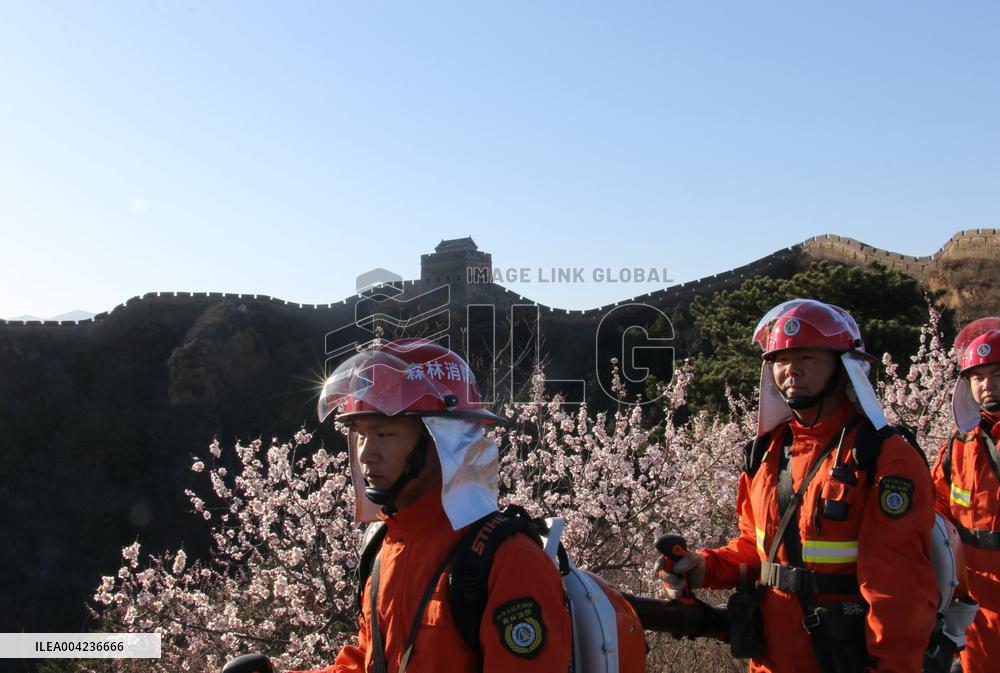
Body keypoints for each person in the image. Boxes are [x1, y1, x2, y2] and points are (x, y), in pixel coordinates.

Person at [660, 299, 937, 673]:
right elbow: (757, 548)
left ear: (844, 368)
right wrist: (705, 567)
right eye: (780, 360)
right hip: (770, 659)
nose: (791, 369)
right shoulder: (765, 453)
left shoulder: (884, 457)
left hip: (842, 660)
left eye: (807, 358)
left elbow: (897, 586)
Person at [291, 338, 572, 673]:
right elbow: (368, 660)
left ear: (441, 441)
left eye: (384, 435)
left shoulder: (509, 561)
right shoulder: (384, 546)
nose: (366, 454)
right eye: (361, 435)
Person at [930, 317, 1000, 673]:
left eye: (997, 375)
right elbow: (935, 509)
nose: (987, 385)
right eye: (978, 377)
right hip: (976, 597)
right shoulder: (958, 447)